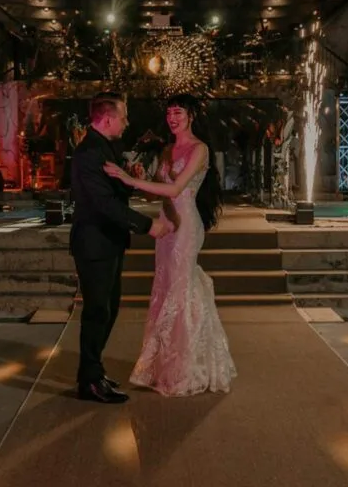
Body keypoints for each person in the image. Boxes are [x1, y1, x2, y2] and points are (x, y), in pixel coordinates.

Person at [104, 93, 237, 397]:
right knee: (166, 289)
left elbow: (178, 188)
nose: (172, 118)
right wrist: (140, 178)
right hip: (165, 225)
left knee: (180, 290)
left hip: (186, 227)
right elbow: (160, 193)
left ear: (191, 115)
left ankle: (185, 369)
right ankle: (163, 365)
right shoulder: (167, 150)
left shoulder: (199, 149)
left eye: (178, 112)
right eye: (169, 113)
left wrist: (129, 179)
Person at [70, 91, 171, 404]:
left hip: (108, 242)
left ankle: (94, 372)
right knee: (98, 311)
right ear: (108, 118)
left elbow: (110, 192)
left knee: (109, 309)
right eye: (124, 116)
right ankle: (89, 381)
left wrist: (128, 179)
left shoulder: (105, 147)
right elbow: (102, 204)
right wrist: (147, 225)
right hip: (94, 243)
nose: (128, 123)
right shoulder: (89, 152)